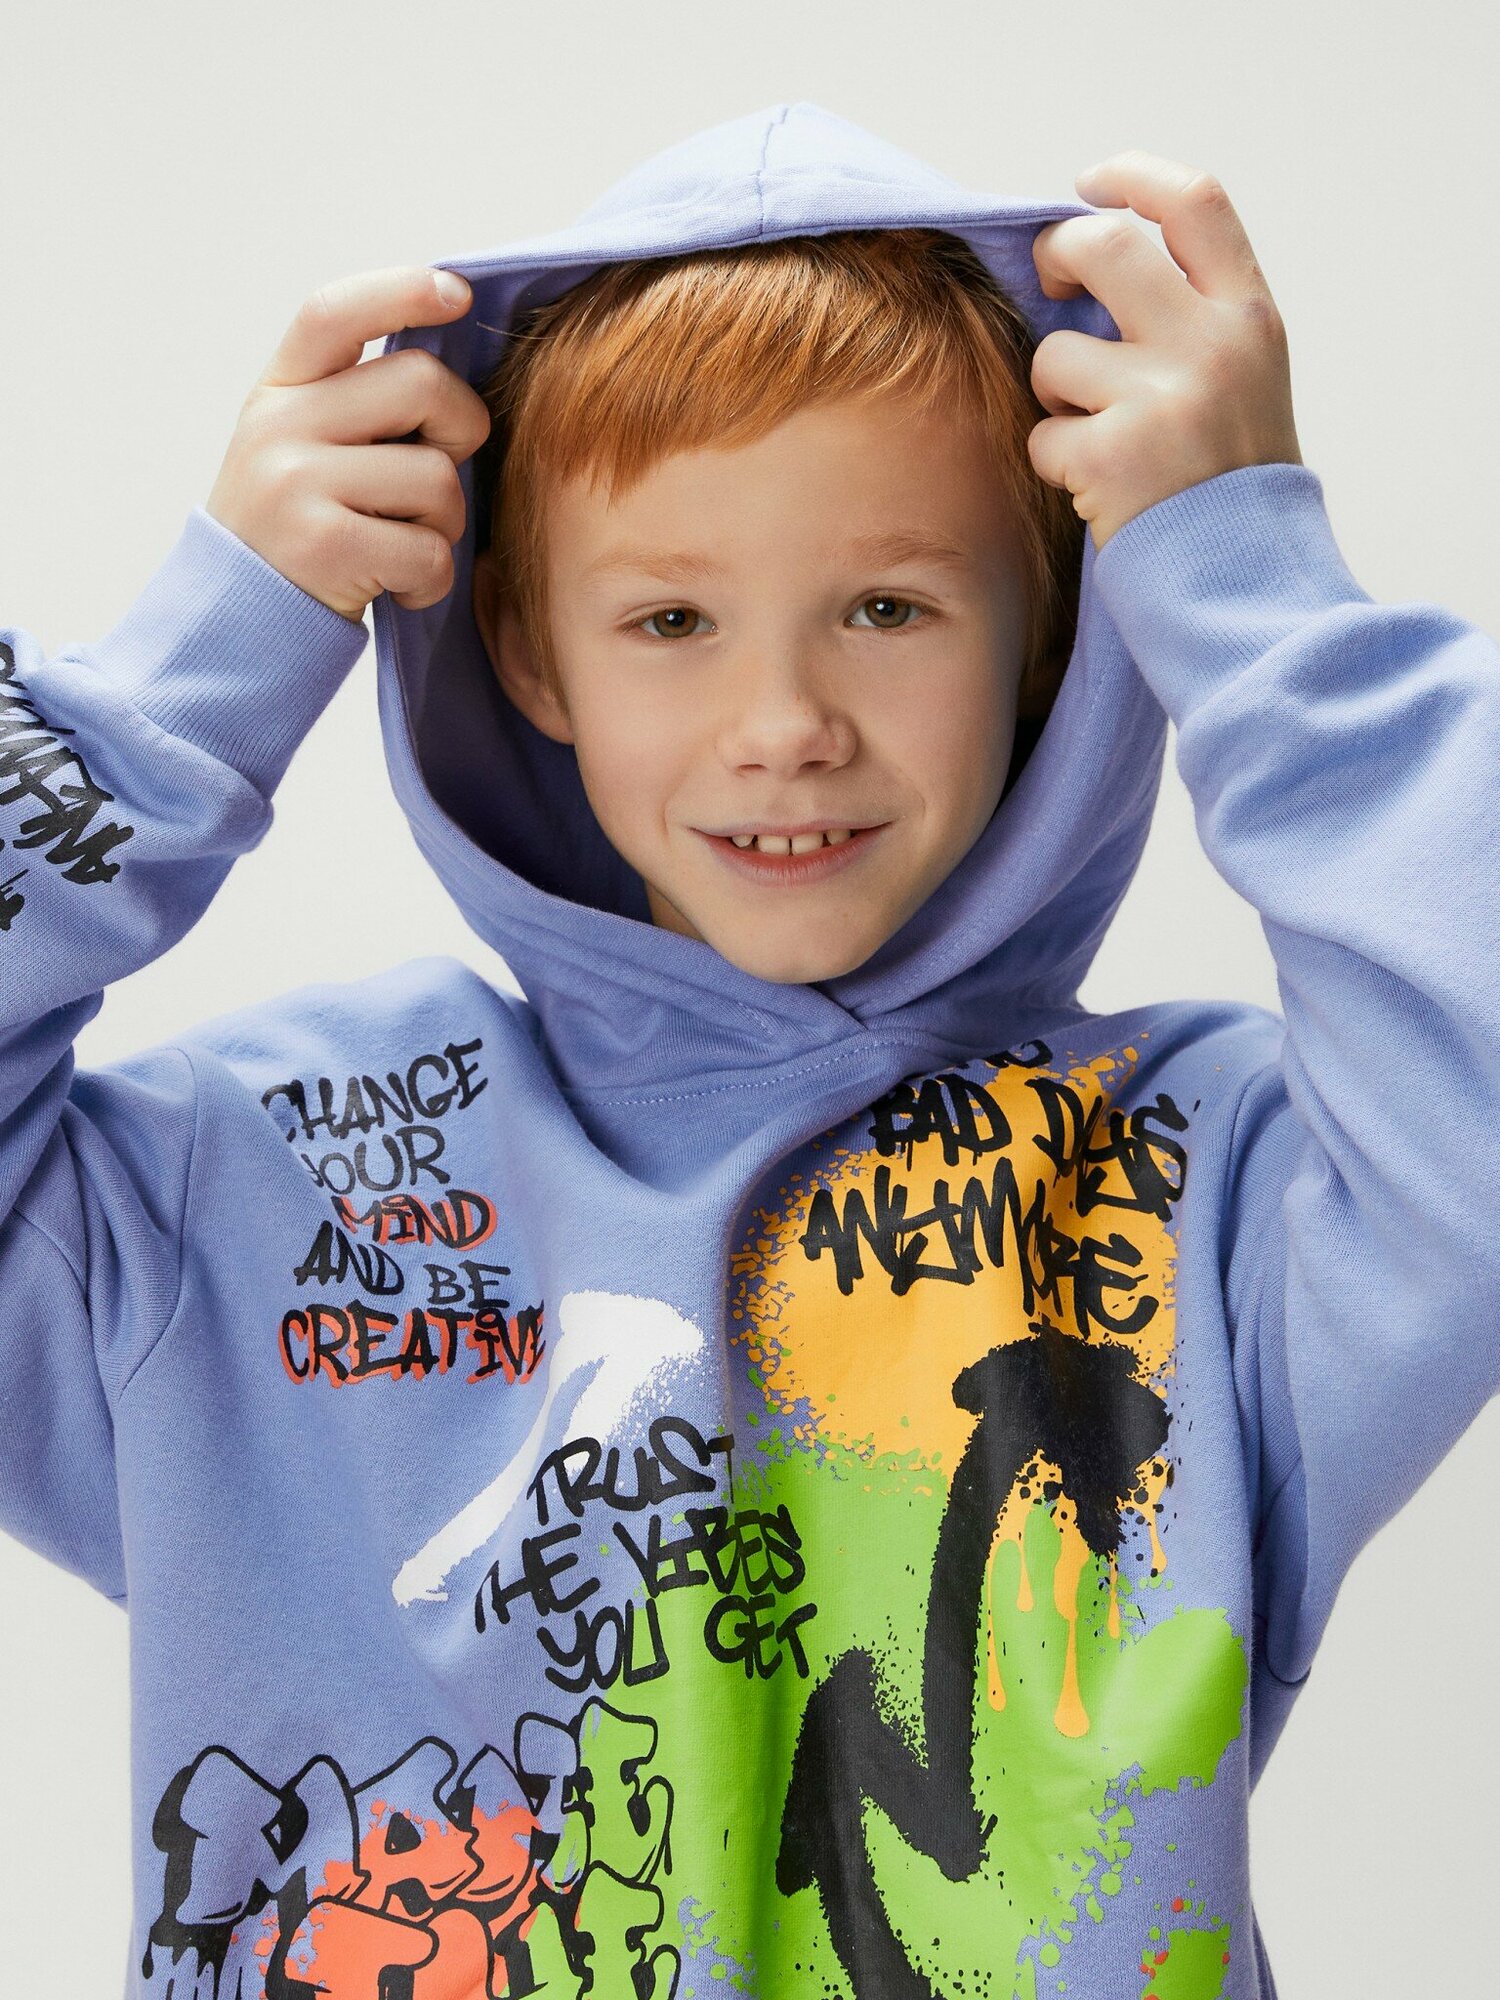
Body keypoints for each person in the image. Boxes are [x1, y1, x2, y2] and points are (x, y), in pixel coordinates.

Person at [1, 97, 1494, 2000]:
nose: (784, 719)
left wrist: (1250, 581)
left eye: (887, 606)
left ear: (1050, 636)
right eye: (670, 617)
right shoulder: (275, 1179)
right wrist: (196, 667)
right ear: (528, 649)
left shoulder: (1209, 1194)